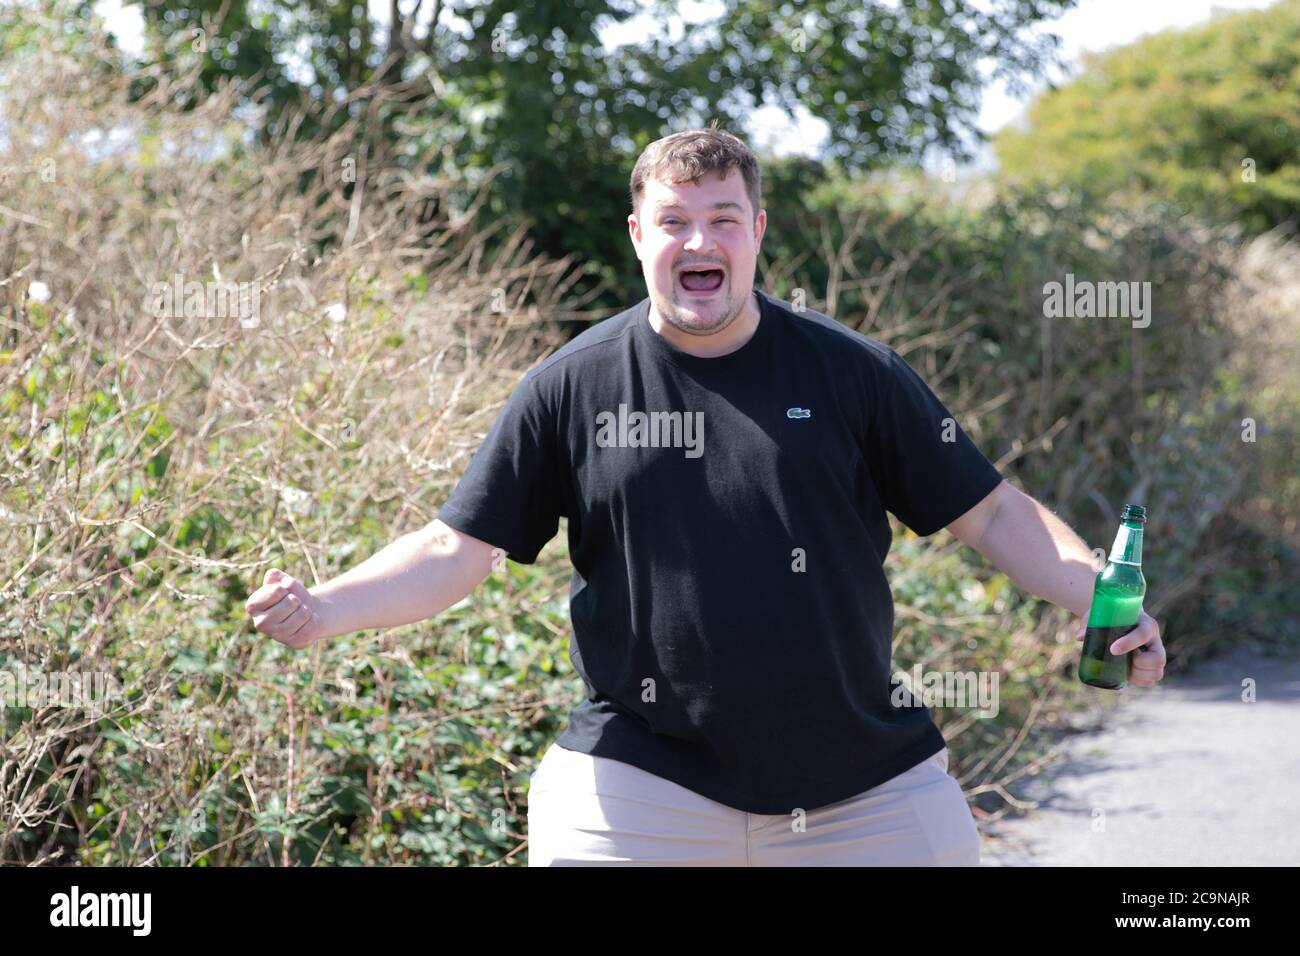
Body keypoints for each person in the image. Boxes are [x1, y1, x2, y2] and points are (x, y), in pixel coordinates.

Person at [246, 126, 1166, 866]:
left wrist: (1101, 596)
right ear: (639, 235)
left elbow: (992, 511)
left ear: (758, 234)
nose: (701, 242)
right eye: (676, 220)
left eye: (725, 220)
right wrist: (325, 610)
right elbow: (458, 549)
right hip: (643, 783)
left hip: (861, 781)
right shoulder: (571, 386)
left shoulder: (855, 374)